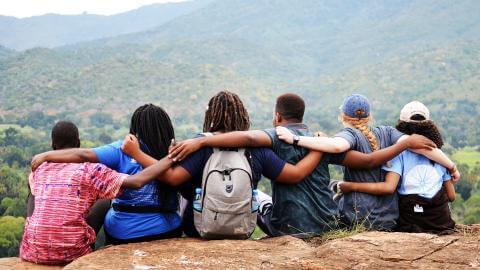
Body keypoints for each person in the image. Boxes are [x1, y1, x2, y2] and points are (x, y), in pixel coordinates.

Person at [166, 93, 436, 236]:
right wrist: (404, 144)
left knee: (258, 197)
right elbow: (368, 160)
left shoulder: (274, 137)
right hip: (327, 223)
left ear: (276, 117)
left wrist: (202, 141)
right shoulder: (322, 141)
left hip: (287, 226)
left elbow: (248, 136)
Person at [122, 91, 324, 238]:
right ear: (242, 115)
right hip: (242, 227)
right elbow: (295, 174)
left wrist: (137, 153)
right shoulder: (257, 149)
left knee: (188, 195)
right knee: (260, 196)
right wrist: (318, 146)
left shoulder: (199, 145)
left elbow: (171, 178)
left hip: (199, 228)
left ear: (211, 116)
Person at [276, 94, 459, 231]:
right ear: (370, 116)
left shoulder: (350, 134)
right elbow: (424, 147)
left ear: (343, 117)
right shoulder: (387, 132)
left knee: (331, 196)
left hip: (359, 216)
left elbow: (337, 146)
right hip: (389, 217)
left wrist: (295, 139)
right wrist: (451, 166)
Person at [21, 121, 175, 265]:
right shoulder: (90, 171)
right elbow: (136, 182)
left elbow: (31, 213)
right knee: (104, 200)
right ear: (78, 143)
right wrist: (171, 158)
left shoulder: (38, 171)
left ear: (53, 145)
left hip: (34, 250)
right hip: (74, 252)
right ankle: (89, 253)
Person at [31, 104, 181, 244]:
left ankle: (85, 246)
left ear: (135, 130)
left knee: (105, 200)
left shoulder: (121, 150)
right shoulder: (175, 152)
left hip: (122, 233)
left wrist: (47, 155)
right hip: (166, 230)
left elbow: (84, 155)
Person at [338, 101, 456, 234]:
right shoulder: (440, 157)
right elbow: (451, 196)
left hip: (411, 224)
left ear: (401, 126)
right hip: (441, 223)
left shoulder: (399, 154)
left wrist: (350, 186)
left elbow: (389, 187)